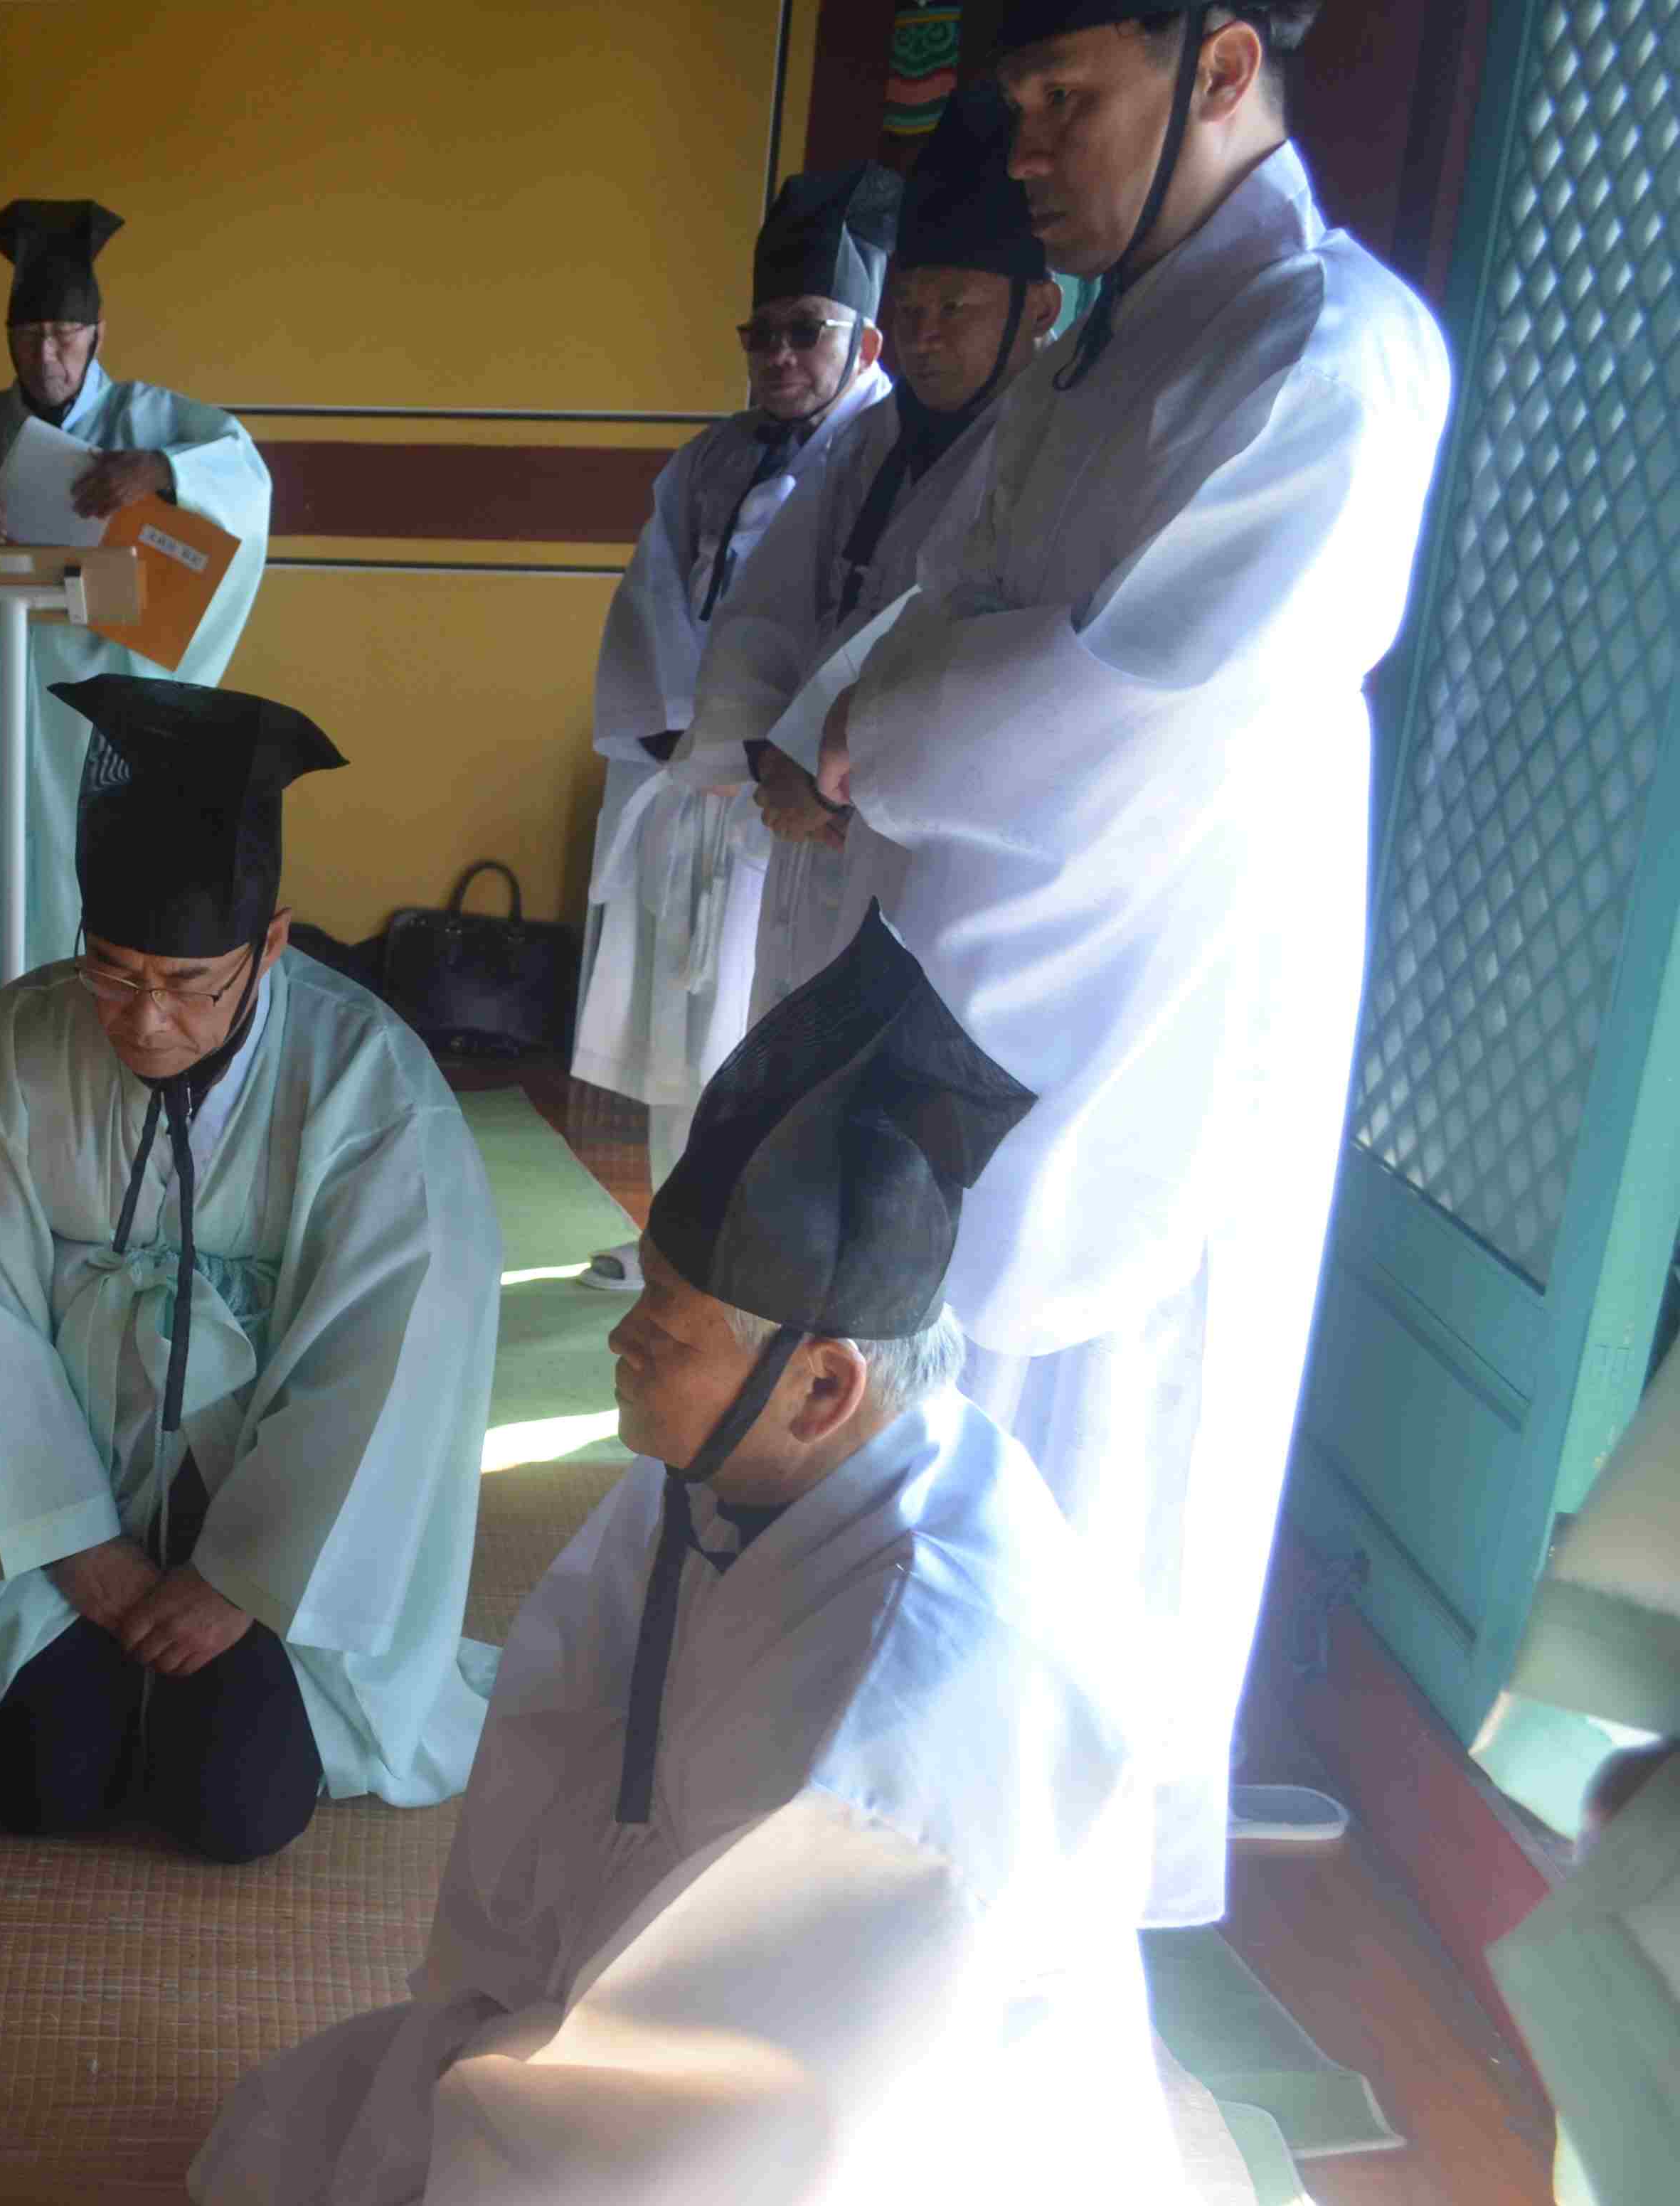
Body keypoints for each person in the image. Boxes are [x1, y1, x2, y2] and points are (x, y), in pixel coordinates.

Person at [196, 912, 1181, 2206]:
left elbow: (732, 2118)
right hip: (672, 1999)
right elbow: (567, 1726)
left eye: (665, 1322)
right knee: (309, 2127)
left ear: (821, 1383)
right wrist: (513, 2006)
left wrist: (521, 2079)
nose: (622, 1342)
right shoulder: (759, 1470)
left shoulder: (892, 1734)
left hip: (863, 2133)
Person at [810, 0, 1451, 1926]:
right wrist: (875, 716)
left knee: (1098, 1499)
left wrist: (875, 733)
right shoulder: (1092, 349)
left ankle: (1027, 1956)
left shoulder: (1329, 350)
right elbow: (947, 605)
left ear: (1225, 69)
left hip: (1149, 1012)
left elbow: (1121, 706)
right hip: (960, 968)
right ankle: (886, 1903)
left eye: (1064, 100)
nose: (1024, 149)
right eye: (1016, 103)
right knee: (928, 1482)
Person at [0, 677, 501, 1864]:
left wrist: (241, 1578)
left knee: (232, 1804)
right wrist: (79, 1546)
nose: (144, 1020)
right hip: (61, 1493)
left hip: (269, 1513)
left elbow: (392, 1356)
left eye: (189, 983)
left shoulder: (372, 1091)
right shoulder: (5, 1059)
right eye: (111, 970)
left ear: (271, 943)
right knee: (39, 1777)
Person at [572, 164, 899, 1292]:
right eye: (763, 333)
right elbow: (651, 597)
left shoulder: (882, 457)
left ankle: (752, 1262)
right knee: (679, 1026)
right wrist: (681, 735)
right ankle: (676, 1233)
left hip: (790, 800)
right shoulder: (709, 459)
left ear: (865, 341)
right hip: (691, 779)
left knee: (763, 1028)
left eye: (808, 330)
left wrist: (767, 752)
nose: (780, 355)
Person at [677, 84, 1067, 1021]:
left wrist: (832, 781)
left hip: (914, 837)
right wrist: (771, 753)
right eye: (911, 305)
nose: (923, 336)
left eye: (955, 307)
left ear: (1037, 308)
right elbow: (770, 607)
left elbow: (986, 651)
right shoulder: (870, 438)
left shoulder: (1050, 453)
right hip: (802, 814)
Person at [0, 201, 272, 996]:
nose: (47, 354)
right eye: (29, 335)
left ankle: (105, 1048)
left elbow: (246, 480)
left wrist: (164, 471)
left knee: (106, 875)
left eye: (64, 334)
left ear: (97, 332)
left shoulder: (152, 419)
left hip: (111, 689)